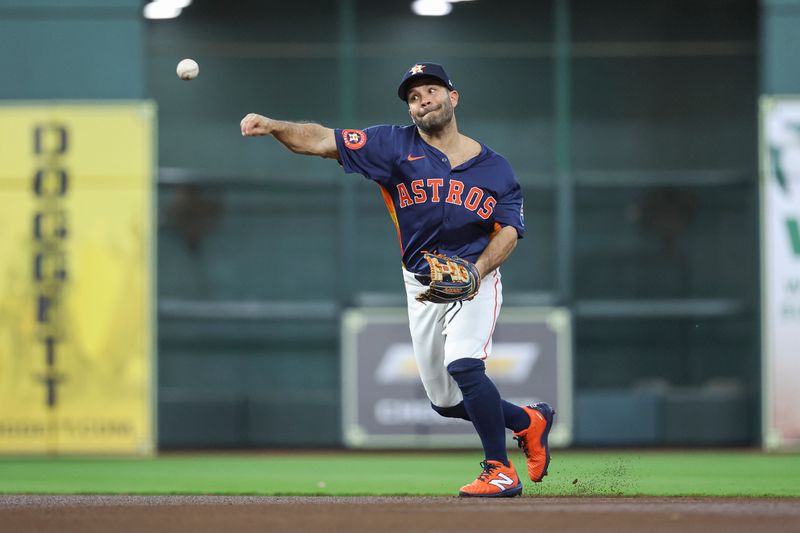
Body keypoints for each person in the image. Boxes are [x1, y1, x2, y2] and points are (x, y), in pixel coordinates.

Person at [240, 62, 554, 498]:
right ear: (410, 110)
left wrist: (477, 272)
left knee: (464, 363)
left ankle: (499, 469)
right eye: (414, 97)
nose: (423, 100)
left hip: (474, 277)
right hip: (422, 285)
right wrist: (275, 126)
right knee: (445, 403)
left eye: (431, 90)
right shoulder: (391, 145)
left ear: (453, 97)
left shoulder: (495, 169)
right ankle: (528, 421)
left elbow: (509, 231)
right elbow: (320, 140)